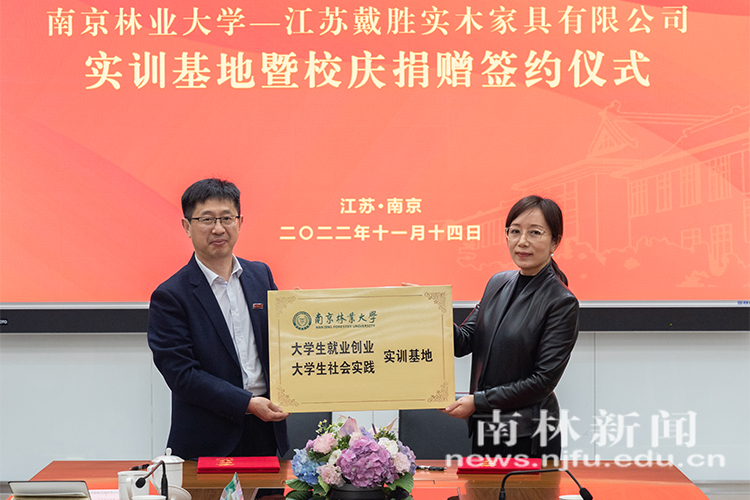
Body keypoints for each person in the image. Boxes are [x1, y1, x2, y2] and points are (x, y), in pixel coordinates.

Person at [148, 178, 290, 460]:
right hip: (208, 440)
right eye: (206, 219)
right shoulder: (171, 295)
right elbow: (182, 375)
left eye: (227, 218)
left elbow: (280, 344)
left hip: (267, 433)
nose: (218, 228)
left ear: (240, 222)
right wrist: (246, 403)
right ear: (187, 226)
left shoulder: (260, 276)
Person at [442, 195, 579, 461]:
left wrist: (477, 401)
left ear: (555, 242)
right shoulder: (498, 283)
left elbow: (542, 381)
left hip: (529, 434)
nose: (522, 241)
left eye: (535, 232)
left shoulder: (561, 302)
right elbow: (463, 341)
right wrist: (430, 313)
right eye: (515, 231)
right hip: (486, 425)